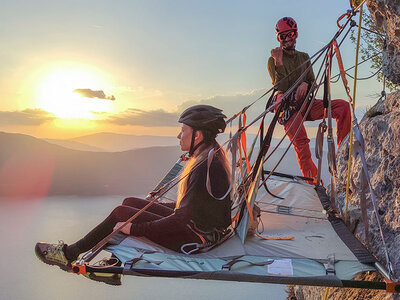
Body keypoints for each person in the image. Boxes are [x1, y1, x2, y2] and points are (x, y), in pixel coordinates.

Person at [35, 105, 232, 279]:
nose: (179, 136)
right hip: (201, 230)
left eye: (183, 130)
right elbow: (194, 208)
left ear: (197, 135)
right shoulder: (210, 156)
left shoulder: (204, 167)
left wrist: (136, 228)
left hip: (195, 241)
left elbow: (180, 220)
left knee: (123, 215)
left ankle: (69, 254)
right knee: (130, 202)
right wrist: (151, 209)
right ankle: (113, 264)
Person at [267, 17, 351, 183]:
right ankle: (313, 184)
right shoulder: (273, 59)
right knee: (302, 144)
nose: (287, 38)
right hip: (288, 108)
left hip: (306, 105)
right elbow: (281, 86)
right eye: (282, 36)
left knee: (343, 107)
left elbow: (313, 82)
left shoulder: (304, 57)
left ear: (296, 34)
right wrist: (279, 62)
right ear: (278, 38)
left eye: (290, 34)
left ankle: (343, 154)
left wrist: (306, 83)